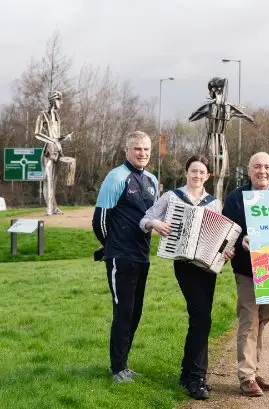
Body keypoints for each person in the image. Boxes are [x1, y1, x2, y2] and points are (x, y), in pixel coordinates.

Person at [140, 155, 233, 400]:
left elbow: (221, 238)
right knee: (202, 318)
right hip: (183, 264)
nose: (197, 175)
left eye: (202, 172)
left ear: (208, 176)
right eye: (194, 171)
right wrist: (155, 224)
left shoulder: (214, 203)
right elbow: (144, 219)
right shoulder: (172, 197)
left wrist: (226, 251)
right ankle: (196, 378)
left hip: (206, 266)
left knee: (201, 319)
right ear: (186, 172)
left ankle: (187, 373)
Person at [92, 131, 158, 384]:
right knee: (123, 311)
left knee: (135, 312)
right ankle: (117, 368)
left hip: (142, 256)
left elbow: (152, 216)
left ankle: (124, 365)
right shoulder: (116, 177)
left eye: (146, 149)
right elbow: (100, 220)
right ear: (127, 150)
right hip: (121, 256)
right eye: (137, 148)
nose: (142, 153)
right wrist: (110, 247)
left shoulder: (152, 180)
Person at [222, 152, 269, 397]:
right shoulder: (236, 198)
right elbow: (225, 230)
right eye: (257, 166)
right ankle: (246, 376)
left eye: (266, 167)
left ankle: (253, 371)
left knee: (262, 319)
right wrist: (240, 239)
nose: (262, 171)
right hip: (246, 270)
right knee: (249, 319)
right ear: (248, 170)